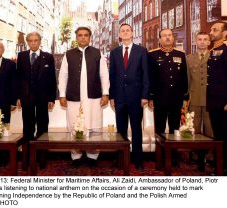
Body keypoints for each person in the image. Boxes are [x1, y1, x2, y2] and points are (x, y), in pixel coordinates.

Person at [58, 26, 109, 166]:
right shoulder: (68, 54)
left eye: (86, 35)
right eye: (80, 35)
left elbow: (104, 74)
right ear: (76, 37)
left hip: (94, 97)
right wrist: (62, 94)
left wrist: (105, 93)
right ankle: (76, 156)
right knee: (74, 125)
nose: (83, 37)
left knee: (94, 126)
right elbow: (63, 76)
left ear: (90, 37)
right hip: (74, 97)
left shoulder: (97, 53)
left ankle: (93, 156)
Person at [109, 23, 149, 170]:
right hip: (119, 98)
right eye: (122, 31)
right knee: (121, 130)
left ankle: (138, 160)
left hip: (136, 98)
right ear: (119, 34)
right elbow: (112, 76)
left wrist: (144, 96)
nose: (125, 32)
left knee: (136, 129)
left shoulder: (141, 51)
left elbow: (146, 74)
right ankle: (121, 159)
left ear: (132, 33)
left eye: (128, 30)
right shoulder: (114, 53)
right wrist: (112, 96)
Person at [16, 32, 56, 141]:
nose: (33, 43)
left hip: (43, 97)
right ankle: (28, 153)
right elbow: (18, 78)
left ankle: (41, 153)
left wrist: (52, 98)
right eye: (30, 41)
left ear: (39, 41)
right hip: (26, 96)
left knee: (42, 125)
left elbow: (52, 78)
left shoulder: (48, 57)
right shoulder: (21, 56)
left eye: (35, 40)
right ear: (27, 42)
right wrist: (18, 97)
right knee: (28, 125)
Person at [207, 21, 227, 175]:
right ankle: (221, 168)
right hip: (214, 103)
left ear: (224, 33)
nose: (211, 32)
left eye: (215, 30)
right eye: (211, 29)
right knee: (218, 138)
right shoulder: (214, 50)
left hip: (226, 103)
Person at [148, 28, 188, 134]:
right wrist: (150, 97)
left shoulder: (180, 54)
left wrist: (185, 96)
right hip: (159, 97)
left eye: (170, 35)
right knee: (159, 129)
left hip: (176, 98)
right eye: (164, 35)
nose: (167, 37)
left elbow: (184, 76)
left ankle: (173, 151)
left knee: (175, 129)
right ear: (160, 39)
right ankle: (160, 151)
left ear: (173, 38)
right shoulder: (152, 55)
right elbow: (150, 77)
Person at [186, 32, 213, 172]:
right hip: (195, 99)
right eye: (200, 39)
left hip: (210, 100)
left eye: (205, 39)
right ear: (196, 41)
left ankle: (209, 157)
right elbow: (187, 81)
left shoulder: (214, 57)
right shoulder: (189, 59)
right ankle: (195, 156)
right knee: (194, 129)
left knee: (210, 130)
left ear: (209, 42)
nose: (202, 42)